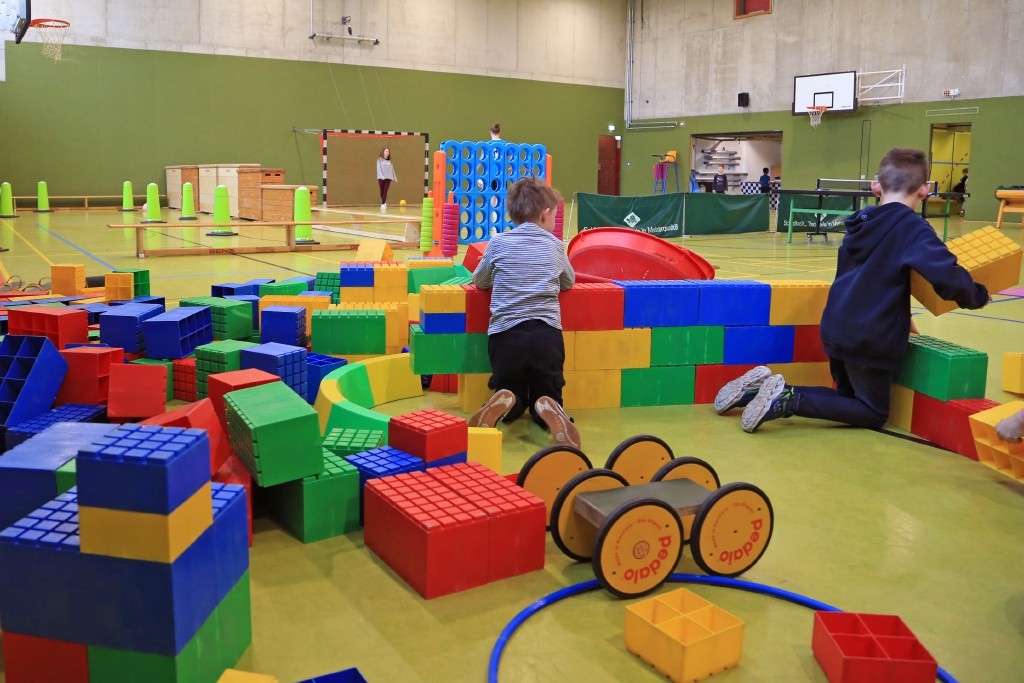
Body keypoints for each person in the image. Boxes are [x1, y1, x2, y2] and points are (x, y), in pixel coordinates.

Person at [715, 147, 990, 433]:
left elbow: (868, 281)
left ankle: (756, 391)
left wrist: (904, 318)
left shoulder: (859, 225)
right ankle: (790, 397)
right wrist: (978, 294)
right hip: (869, 340)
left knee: (847, 400)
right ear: (924, 190)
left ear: (875, 186)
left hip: (835, 328)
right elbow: (948, 279)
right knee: (871, 411)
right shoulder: (912, 229)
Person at [468, 178, 579, 448]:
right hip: (546, 335)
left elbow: (479, 280)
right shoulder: (554, 245)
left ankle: (507, 397)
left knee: (512, 396)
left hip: (506, 335)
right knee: (549, 389)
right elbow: (569, 281)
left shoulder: (499, 242)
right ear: (545, 214)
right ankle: (546, 405)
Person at [376, 147, 397, 211]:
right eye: (386, 151)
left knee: (385, 191)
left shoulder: (389, 161)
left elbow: (392, 170)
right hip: (381, 178)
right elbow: (378, 169)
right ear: (383, 152)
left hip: (388, 178)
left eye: (388, 151)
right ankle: (384, 202)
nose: (387, 152)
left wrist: (395, 177)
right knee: (382, 191)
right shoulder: (379, 160)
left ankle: (383, 204)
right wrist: (382, 177)